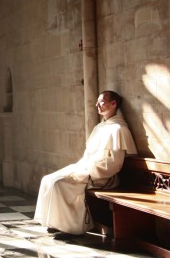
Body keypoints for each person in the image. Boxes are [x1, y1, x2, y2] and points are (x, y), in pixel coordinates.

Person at [34, 90, 137, 239]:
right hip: (86, 167)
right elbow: (88, 155)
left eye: (101, 102)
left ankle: (72, 228)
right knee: (48, 180)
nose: (97, 105)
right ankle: (56, 222)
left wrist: (89, 171)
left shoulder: (119, 129)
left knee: (60, 184)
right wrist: (80, 167)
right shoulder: (99, 127)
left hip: (102, 176)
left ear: (113, 104)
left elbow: (115, 164)